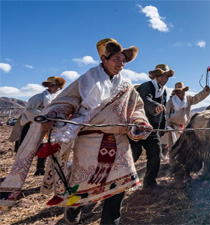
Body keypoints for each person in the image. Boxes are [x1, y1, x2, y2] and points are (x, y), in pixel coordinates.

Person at [0, 38, 152, 225]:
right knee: (84, 185)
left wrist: (139, 121)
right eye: (116, 59)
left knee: (119, 187)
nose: (121, 64)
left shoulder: (127, 87)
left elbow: (136, 108)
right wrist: (55, 115)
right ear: (104, 59)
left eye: (123, 61)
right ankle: (74, 206)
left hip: (120, 141)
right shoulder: (86, 81)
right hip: (90, 142)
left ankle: (110, 222)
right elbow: (66, 101)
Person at [9, 76, 66, 176]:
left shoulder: (57, 98)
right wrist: (44, 117)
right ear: (49, 86)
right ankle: (18, 170)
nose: (57, 88)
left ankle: (40, 169)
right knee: (26, 147)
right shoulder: (38, 97)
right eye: (55, 86)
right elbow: (29, 110)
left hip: (46, 126)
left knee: (44, 147)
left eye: (59, 87)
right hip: (31, 125)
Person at [129, 64, 173, 189]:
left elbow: (163, 110)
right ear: (156, 76)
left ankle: (149, 183)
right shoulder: (146, 86)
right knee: (134, 153)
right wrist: (154, 106)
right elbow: (144, 100)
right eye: (162, 76)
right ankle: (123, 180)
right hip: (137, 128)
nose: (165, 78)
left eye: (167, 76)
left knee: (155, 153)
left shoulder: (163, 91)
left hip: (153, 130)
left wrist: (162, 126)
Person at [165, 82, 210, 149]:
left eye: (183, 91)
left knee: (183, 146)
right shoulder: (171, 101)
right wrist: (167, 125)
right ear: (176, 93)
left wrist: (205, 92)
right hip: (172, 127)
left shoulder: (188, 99)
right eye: (180, 92)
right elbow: (166, 113)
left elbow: (197, 98)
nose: (182, 93)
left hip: (184, 127)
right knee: (173, 146)